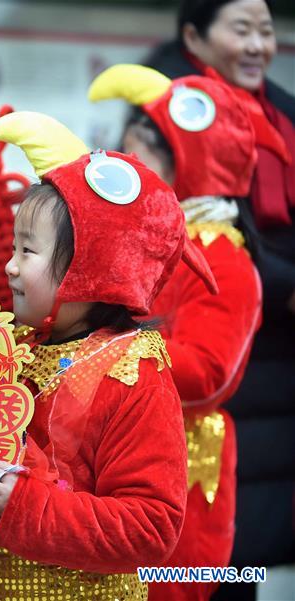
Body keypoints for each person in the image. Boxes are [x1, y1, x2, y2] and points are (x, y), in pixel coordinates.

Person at [0, 111, 219, 600]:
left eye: (27, 251)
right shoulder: (6, 348)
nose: (10, 267)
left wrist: (25, 505)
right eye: (12, 247)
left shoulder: (132, 372)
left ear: (90, 266)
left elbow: (152, 526)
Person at [90, 63, 263, 601]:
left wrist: (108, 351)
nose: (129, 164)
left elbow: (209, 375)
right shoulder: (148, 241)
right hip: (120, 452)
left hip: (182, 466)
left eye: (143, 152)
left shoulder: (224, 261)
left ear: (186, 166)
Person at [145, 2, 295, 593]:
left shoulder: (282, 112)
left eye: (267, 30)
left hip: (270, 356)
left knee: (238, 545)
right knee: (185, 552)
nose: (259, 45)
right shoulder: (161, 102)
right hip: (202, 373)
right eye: (242, 29)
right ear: (193, 36)